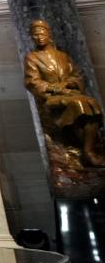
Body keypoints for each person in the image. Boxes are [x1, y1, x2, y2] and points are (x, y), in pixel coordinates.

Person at [24, 19, 105, 168]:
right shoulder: (32, 57)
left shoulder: (63, 56)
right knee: (79, 105)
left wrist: (68, 83)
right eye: (35, 35)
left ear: (48, 34)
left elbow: (77, 76)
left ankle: (87, 149)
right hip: (51, 98)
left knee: (92, 104)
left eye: (42, 33)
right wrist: (57, 89)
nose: (39, 37)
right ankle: (88, 152)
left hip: (70, 93)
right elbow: (32, 81)